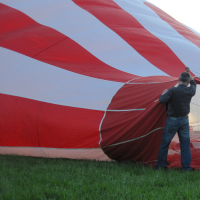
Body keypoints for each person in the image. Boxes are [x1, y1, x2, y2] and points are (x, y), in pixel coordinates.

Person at [155, 67, 196, 171]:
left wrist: (164, 92)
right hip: (184, 120)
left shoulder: (172, 90)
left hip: (172, 120)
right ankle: (186, 168)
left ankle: (160, 167)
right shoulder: (190, 90)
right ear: (187, 81)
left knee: (165, 144)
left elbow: (161, 100)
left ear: (178, 80)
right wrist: (190, 75)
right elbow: (193, 84)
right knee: (185, 145)